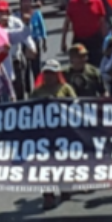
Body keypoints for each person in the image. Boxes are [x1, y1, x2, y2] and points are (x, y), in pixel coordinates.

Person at [30, 59, 78, 210]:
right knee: (46, 165)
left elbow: (77, 106)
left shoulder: (65, 89)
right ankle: (48, 195)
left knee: (63, 162)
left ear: (58, 74)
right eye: (47, 73)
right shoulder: (37, 92)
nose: (49, 76)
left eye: (52, 73)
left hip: (64, 132)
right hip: (44, 134)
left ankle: (65, 186)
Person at [61, 0, 107, 67]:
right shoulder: (73, 2)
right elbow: (67, 23)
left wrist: (105, 41)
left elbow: (102, 23)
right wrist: (63, 41)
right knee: (78, 66)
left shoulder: (97, 2)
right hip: (79, 39)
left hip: (95, 40)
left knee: (96, 66)